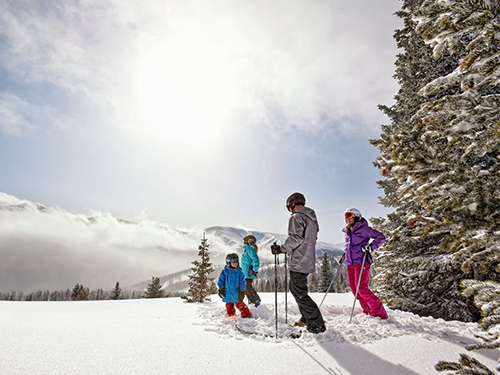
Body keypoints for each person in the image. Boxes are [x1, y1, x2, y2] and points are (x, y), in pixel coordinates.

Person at [271, 192, 326, 334]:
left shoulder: (297, 217)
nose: (289, 211)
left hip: (299, 260)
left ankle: (316, 323)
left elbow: (296, 238)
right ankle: (306, 318)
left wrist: (281, 249)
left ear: (292, 205)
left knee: (299, 293)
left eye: (288, 208)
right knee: (299, 290)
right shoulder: (312, 218)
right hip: (307, 259)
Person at [343, 207, 388, 320]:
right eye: (345, 216)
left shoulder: (364, 229)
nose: (347, 218)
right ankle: (368, 310)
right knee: (355, 290)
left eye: (349, 215)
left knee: (362, 288)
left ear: (357, 217)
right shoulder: (348, 231)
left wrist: (371, 247)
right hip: (350, 263)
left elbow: (381, 237)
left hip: (362, 263)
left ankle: (379, 314)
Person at [217, 253, 252, 318]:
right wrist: (221, 289)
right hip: (227, 293)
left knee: (240, 305)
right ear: (228, 262)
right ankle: (232, 316)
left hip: (237, 293)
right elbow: (221, 281)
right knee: (229, 306)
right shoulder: (225, 272)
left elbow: (242, 283)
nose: (236, 263)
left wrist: (242, 291)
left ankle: (246, 315)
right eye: (233, 261)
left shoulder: (239, 272)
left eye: (237, 261)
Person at [241, 235, 262, 307]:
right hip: (245, 273)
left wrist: (254, 270)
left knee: (248, 288)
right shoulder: (247, 249)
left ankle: (256, 301)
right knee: (246, 288)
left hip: (248, 274)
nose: (244, 243)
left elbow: (256, 260)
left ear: (249, 241)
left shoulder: (250, 249)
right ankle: (251, 302)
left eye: (245, 241)